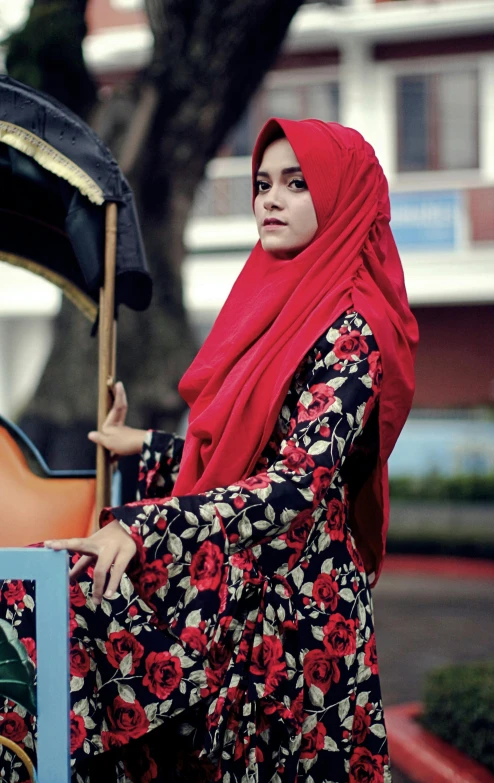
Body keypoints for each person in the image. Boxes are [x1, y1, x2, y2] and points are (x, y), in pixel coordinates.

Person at [0, 118, 418, 783]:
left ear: (344, 195)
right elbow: (250, 451)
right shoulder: (276, 299)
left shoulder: (351, 328)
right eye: (261, 184)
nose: (269, 200)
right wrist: (151, 447)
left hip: (299, 603)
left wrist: (145, 525)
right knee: (41, 614)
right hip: (241, 573)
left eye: (296, 183)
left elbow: (296, 483)